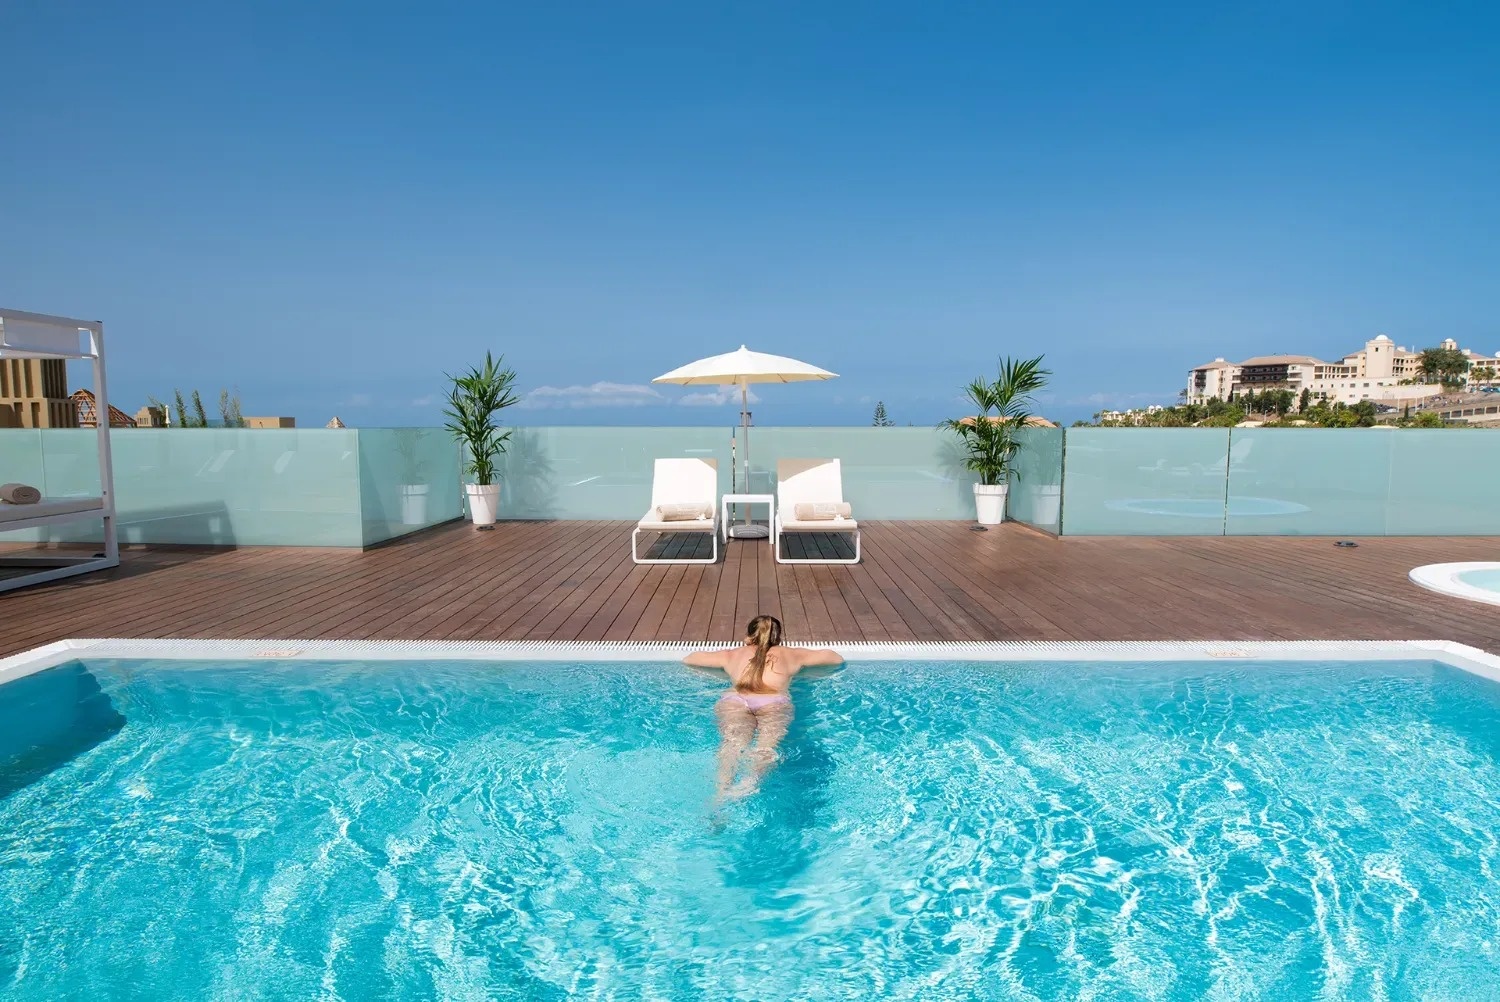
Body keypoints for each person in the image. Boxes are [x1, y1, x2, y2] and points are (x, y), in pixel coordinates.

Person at [683, 615, 844, 801]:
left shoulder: (732, 654)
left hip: (735, 700)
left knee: (733, 744)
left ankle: (720, 793)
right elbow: (836, 658)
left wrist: (738, 652)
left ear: (749, 635)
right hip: (774, 702)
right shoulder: (791, 654)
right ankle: (749, 782)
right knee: (765, 747)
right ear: (778, 637)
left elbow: (690, 659)